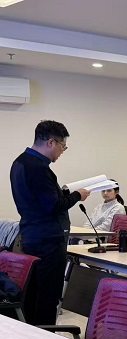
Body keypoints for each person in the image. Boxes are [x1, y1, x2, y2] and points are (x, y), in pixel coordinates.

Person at [10, 120, 90, 325]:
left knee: (33, 295)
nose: (62, 152)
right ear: (51, 142)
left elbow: (40, 200)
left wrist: (61, 194)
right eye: (63, 147)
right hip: (48, 241)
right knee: (47, 297)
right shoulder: (39, 168)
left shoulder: (20, 162)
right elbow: (52, 206)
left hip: (32, 235)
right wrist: (77, 196)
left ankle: (33, 336)